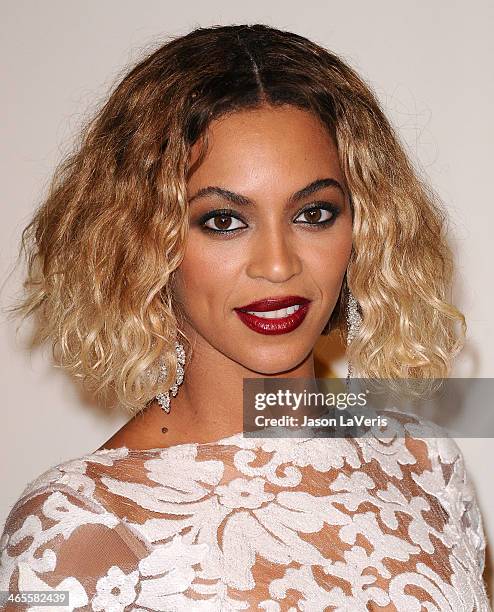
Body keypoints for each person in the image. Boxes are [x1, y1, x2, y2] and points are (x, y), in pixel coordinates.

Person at [0, 23, 490, 612]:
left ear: (367, 227)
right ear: (139, 242)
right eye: (223, 221)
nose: (278, 265)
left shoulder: (427, 462)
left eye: (314, 213)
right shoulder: (82, 527)